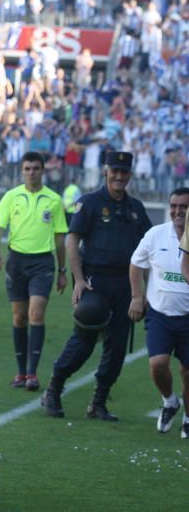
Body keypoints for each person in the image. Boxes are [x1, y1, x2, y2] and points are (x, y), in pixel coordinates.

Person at [42, 151, 152, 420]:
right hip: (95, 282)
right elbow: (72, 240)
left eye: (124, 172)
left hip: (126, 284)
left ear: (129, 174)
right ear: (105, 171)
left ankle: (98, 401)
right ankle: (54, 388)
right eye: (114, 170)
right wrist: (78, 280)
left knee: (116, 348)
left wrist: (145, 292)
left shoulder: (136, 209)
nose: (118, 176)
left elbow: (148, 249)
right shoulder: (89, 202)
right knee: (83, 342)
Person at [0, 152, 69, 391]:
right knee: (19, 317)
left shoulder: (53, 200)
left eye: (35, 168)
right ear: (22, 171)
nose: (31, 172)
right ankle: (21, 372)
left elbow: (60, 236)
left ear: (43, 170)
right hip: (17, 261)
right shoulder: (12, 197)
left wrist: (62, 270)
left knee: (36, 314)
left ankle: (33, 373)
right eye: (27, 168)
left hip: (43, 263)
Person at [128, 188, 189, 437]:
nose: (177, 211)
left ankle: (188, 416)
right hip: (160, 315)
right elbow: (136, 264)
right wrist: (136, 297)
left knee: (188, 372)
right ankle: (170, 401)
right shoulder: (155, 235)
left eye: (183, 206)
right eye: (174, 205)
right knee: (157, 365)